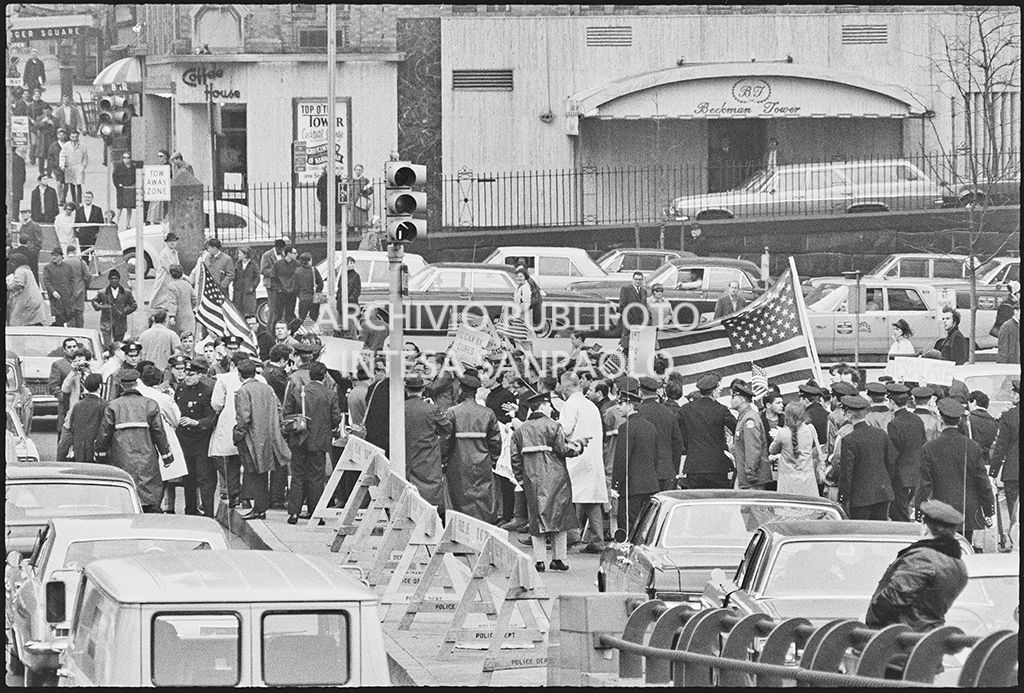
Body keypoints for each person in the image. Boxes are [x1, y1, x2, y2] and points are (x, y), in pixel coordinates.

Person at [865, 500, 969, 632]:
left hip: (900, 637)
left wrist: (873, 619)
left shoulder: (922, 559)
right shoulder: (958, 565)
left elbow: (892, 599)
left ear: (925, 528)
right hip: (929, 636)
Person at [510, 391, 582, 572]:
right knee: (560, 518)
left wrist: (522, 479)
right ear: (542, 406)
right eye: (549, 405)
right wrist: (579, 446)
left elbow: (515, 459)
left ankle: (539, 560)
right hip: (557, 480)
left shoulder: (520, 430)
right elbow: (563, 449)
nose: (551, 408)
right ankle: (559, 558)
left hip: (532, 481)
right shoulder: (553, 426)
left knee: (536, 520)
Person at [916, 397, 994, 545]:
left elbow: (925, 484)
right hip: (967, 509)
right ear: (959, 421)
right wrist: (988, 509)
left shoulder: (929, 447)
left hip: (941, 510)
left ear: (941, 421)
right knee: (964, 547)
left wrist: (920, 510)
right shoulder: (972, 446)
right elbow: (982, 481)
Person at [95, 369, 174, 512]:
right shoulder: (150, 404)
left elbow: (104, 434)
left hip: (121, 456)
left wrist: (100, 454)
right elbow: (159, 432)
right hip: (147, 456)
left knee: (124, 486)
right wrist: (167, 456)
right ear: (137, 384)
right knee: (149, 489)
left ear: (121, 385)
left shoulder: (113, 406)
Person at [441, 373, 502, 523]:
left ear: (461, 389)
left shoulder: (452, 412)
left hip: (458, 462)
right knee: (483, 498)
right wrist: (493, 460)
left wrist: (444, 461)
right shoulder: (488, 413)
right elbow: (495, 442)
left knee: (459, 497)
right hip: (482, 462)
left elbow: (445, 440)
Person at [283, 360, 339, 524]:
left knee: (298, 475)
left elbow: (287, 413)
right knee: (317, 477)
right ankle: (316, 513)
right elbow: (335, 418)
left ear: (309, 375)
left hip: (299, 438)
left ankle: (294, 512)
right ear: (324, 376)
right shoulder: (330, 394)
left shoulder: (298, 391)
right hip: (320, 440)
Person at [237, 358, 292, 521]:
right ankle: (260, 507)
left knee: (254, 473)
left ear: (240, 375)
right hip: (269, 435)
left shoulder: (243, 391)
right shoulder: (267, 388)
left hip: (251, 437)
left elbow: (243, 417)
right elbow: (279, 408)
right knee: (265, 471)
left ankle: (259, 508)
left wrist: (238, 434)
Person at [558, 373, 607, 553]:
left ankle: (571, 535)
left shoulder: (570, 404)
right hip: (592, 456)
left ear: (564, 387)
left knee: (568, 497)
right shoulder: (591, 405)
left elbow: (564, 429)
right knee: (590, 499)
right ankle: (596, 539)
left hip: (576, 455)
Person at [136, 366, 187, 514]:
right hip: (159, 436)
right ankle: (162, 506)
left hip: (138, 437)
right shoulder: (162, 398)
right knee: (162, 474)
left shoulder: (136, 393)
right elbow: (176, 419)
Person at [838, 394, 895, 520]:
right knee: (879, 533)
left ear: (848, 414)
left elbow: (846, 473)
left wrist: (842, 498)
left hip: (860, 497)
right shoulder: (881, 434)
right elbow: (891, 462)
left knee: (860, 533)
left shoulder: (849, 440)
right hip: (882, 493)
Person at [175, 358, 219, 517]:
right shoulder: (180, 390)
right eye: (186, 374)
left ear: (200, 374)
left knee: (205, 478)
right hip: (185, 440)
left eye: (191, 374)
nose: (188, 377)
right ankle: (190, 510)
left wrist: (197, 422)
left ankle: (208, 513)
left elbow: (212, 417)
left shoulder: (207, 391)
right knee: (188, 479)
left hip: (201, 440)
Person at [677, 374, 738, 489]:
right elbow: (737, 429)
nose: (720, 391)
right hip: (717, 467)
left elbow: (674, 427)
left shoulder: (686, 409)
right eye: (718, 389)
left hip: (695, 466)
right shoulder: (721, 410)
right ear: (714, 391)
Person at [611, 386, 658, 534]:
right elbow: (655, 457)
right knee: (645, 528)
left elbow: (621, 460)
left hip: (631, 487)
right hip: (649, 485)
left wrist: (615, 486)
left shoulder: (626, 428)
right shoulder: (650, 427)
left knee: (628, 529)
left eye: (621, 403)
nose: (618, 407)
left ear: (630, 405)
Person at [209, 351, 250, 508]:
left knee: (232, 462)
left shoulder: (223, 379)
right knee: (248, 464)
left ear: (232, 364)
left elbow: (216, 403)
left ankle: (235, 495)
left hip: (229, 424)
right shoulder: (259, 379)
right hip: (249, 425)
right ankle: (246, 497)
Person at [404, 374, 451, 510]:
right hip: (427, 456)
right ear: (423, 389)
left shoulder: (398, 407)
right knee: (430, 491)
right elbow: (447, 428)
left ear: (406, 389)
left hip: (406, 455)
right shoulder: (431, 409)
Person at [886, 384, 926, 522]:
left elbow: (892, 454)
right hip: (916, 474)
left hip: (899, 476)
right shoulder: (917, 419)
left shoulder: (894, 424)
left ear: (891, 401)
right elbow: (923, 443)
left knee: (899, 514)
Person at [637, 377, 684, 491]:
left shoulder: (639, 412)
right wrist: (674, 470)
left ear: (640, 392)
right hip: (667, 471)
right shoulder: (668, 413)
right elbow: (677, 443)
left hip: (644, 472)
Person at [769, 401, 819, 497]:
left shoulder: (783, 433)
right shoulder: (810, 429)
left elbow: (772, 450)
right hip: (807, 477)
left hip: (787, 480)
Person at [731, 380, 772, 489]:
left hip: (753, 479)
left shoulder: (750, 419)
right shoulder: (744, 417)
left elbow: (753, 449)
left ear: (741, 400)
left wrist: (750, 473)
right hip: (746, 476)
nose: (731, 400)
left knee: (753, 506)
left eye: (733, 397)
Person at [989, 378, 1019, 526]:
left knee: (1014, 512)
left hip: (1014, 471)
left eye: (1013, 393)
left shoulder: (1009, 416)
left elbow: (1001, 447)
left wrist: (993, 472)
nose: (1011, 396)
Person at [57, 373, 106, 462]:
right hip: (95, 450)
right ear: (100, 386)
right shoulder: (104, 405)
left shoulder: (77, 406)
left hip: (79, 448)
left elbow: (72, 426)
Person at [91, 269, 137, 345]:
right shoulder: (102, 292)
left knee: (118, 346)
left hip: (120, 324)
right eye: (112, 279)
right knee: (107, 345)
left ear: (119, 279)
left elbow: (134, 305)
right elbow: (94, 301)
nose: (114, 281)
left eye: (116, 278)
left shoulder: (126, 292)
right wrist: (99, 307)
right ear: (109, 280)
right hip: (106, 323)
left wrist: (124, 312)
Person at [6, 251, 47, 327]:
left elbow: (19, 284)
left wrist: (9, 285)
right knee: (33, 321)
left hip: (27, 301)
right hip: (35, 300)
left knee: (17, 321)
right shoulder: (28, 271)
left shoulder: (20, 271)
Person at [41, 246, 75, 326]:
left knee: (70, 314)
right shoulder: (48, 268)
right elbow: (46, 281)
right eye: (53, 255)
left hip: (66, 296)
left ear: (61, 256)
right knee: (59, 316)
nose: (54, 257)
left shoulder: (67, 267)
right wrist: (53, 291)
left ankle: (55, 326)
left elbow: (72, 280)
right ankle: (57, 327)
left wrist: (71, 291)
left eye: (56, 255)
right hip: (56, 297)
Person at [161, 264, 196, 336]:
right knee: (188, 339)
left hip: (177, 318)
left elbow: (172, 303)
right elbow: (194, 300)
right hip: (189, 316)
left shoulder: (172, 286)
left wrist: (172, 316)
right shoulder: (188, 285)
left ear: (171, 275)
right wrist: (190, 308)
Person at [260, 238, 287, 332]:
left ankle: (279, 330)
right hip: (272, 286)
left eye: (283, 249)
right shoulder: (267, 255)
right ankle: (269, 332)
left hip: (282, 286)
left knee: (281, 311)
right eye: (280, 249)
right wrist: (275, 272)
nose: (282, 251)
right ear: (276, 248)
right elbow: (263, 270)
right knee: (272, 311)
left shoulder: (284, 255)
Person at [618, 271, 648, 352]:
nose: (638, 281)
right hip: (629, 321)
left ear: (642, 280)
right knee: (626, 345)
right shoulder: (626, 289)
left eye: (640, 279)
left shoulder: (644, 291)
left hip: (640, 322)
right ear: (633, 279)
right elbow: (622, 306)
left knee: (637, 345)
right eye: (636, 279)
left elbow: (644, 306)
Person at [227, 246, 259, 317]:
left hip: (248, 291)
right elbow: (234, 275)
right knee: (238, 311)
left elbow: (257, 278)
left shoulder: (253, 265)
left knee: (248, 311)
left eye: (240, 254)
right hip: (238, 291)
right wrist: (234, 285)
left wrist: (252, 287)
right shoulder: (237, 264)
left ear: (246, 254)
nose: (238, 255)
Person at [272, 245, 299, 326]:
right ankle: (274, 334)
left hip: (291, 293)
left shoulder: (297, 264)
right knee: (278, 315)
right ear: (288, 253)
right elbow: (273, 277)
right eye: (294, 253)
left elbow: (298, 278)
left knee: (290, 314)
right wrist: (278, 288)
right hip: (280, 293)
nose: (296, 255)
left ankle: (290, 332)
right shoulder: (277, 264)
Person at [59, 131, 89, 205]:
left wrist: (83, 165)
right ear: (69, 137)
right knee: (71, 184)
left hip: (79, 166)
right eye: (72, 137)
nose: (74, 139)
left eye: (76, 137)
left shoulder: (83, 145)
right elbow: (62, 155)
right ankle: (74, 201)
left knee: (79, 184)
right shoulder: (66, 146)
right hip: (70, 166)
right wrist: (62, 165)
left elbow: (85, 157)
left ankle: (79, 201)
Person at [293, 251, 324, 322]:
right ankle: (314, 332)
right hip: (314, 298)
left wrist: (299, 295)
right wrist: (318, 291)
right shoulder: (314, 270)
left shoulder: (297, 271)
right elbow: (320, 283)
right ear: (309, 260)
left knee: (302, 319)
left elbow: (295, 287)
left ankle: (302, 332)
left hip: (303, 298)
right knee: (314, 319)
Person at [73, 190, 103, 257]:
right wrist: (78, 234)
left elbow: (101, 223)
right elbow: (76, 223)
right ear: (83, 198)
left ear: (92, 198)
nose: (87, 199)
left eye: (89, 197)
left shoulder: (98, 209)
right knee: (84, 255)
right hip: (83, 237)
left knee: (94, 256)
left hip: (93, 237)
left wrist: (98, 234)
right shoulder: (78, 210)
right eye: (86, 197)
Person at [111, 151, 136, 229]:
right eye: (124, 158)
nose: (126, 159)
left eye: (128, 158)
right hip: (121, 189)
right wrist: (118, 185)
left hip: (130, 188)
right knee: (120, 206)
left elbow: (135, 176)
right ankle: (116, 223)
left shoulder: (133, 167)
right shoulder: (119, 167)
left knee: (129, 207)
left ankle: (128, 224)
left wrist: (133, 184)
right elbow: (115, 176)